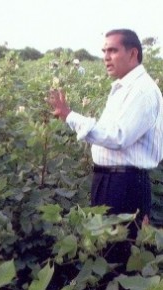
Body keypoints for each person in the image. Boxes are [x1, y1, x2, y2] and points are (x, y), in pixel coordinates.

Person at [47, 29, 163, 264]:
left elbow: (117, 136)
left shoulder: (142, 90)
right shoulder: (123, 88)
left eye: (112, 50)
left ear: (133, 54)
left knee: (117, 259)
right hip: (110, 182)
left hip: (125, 186)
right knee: (104, 254)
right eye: (104, 51)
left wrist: (71, 116)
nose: (106, 57)